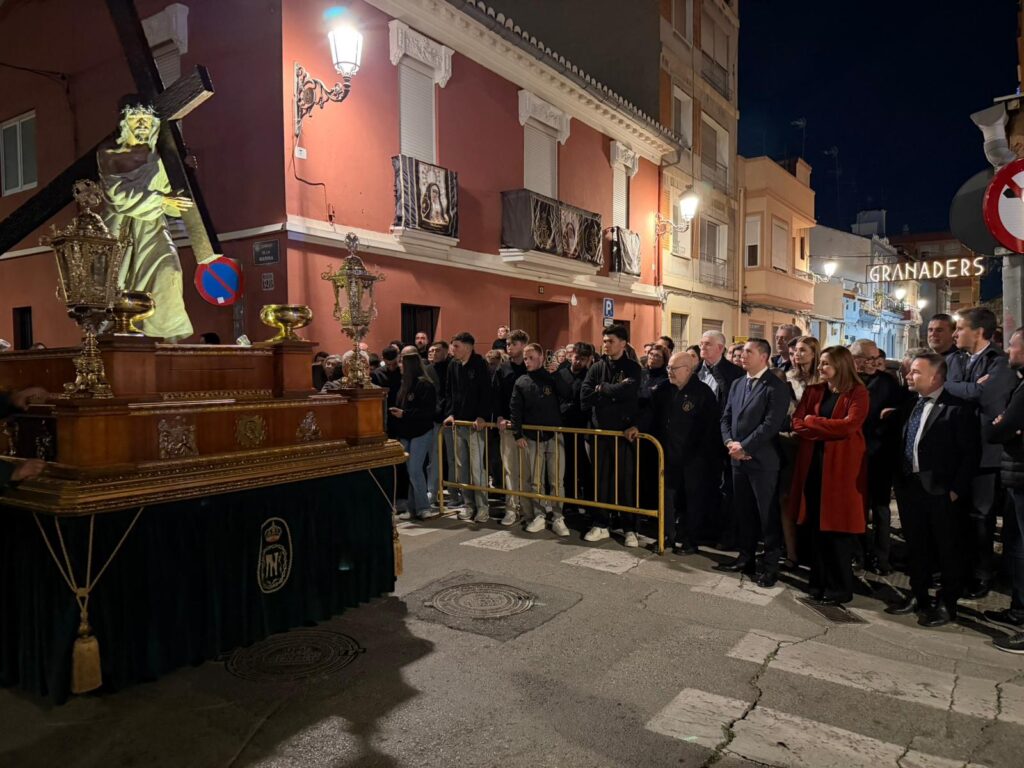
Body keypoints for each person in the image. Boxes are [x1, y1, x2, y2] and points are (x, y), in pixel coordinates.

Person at [887, 352, 979, 627]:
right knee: (917, 546)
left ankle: (947, 604)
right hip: (909, 487)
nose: (908, 375)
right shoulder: (910, 404)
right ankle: (918, 595)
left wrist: (955, 490)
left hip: (941, 491)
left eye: (916, 372)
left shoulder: (958, 409)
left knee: (947, 549)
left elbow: (970, 454)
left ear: (936, 376)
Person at [98, 98, 195, 341]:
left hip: (153, 226)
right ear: (124, 122)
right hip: (119, 227)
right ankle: (121, 331)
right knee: (118, 282)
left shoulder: (160, 157)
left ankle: (165, 335)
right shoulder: (109, 153)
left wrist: (185, 175)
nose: (142, 124)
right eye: (136, 118)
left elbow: (176, 205)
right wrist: (162, 201)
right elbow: (116, 195)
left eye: (147, 119)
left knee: (169, 269)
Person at [789, 346, 868, 605]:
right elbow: (797, 423)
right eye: (821, 363)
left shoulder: (857, 392)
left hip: (841, 470)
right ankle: (818, 582)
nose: (820, 368)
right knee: (815, 528)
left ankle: (840, 588)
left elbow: (850, 426)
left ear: (841, 366)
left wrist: (814, 422)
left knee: (837, 531)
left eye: (825, 364)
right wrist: (819, 426)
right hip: (814, 465)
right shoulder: (815, 391)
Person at [946, 307, 1015, 599]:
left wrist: (964, 388)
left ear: (979, 331)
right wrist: (966, 387)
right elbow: (944, 387)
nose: (955, 334)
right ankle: (959, 570)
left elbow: (985, 396)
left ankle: (982, 573)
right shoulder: (956, 359)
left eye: (960, 328)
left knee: (981, 516)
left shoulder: (999, 362)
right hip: (956, 449)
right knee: (957, 515)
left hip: (985, 453)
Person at [717, 339, 791, 587]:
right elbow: (726, 417)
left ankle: (770, 566)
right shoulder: (738, 383)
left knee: (766, 515)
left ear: (764, 357)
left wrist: (745, 446)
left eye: (749, 352)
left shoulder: (775, 387)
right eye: (742, 352)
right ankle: (745, 557)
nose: (742, 356)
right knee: (744, 512)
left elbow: (770, 424)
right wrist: (730, 442)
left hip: (762, 462)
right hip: (738, 459)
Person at [630, 351, 719, 554]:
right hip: (667, 456)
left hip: (693, 458)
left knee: (691, 501)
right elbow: (650, 413)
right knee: (666, 499)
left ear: (688, 370)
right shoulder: (663, 389)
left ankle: (690, 541)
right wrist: (637, 426)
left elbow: (709, 429)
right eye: (668, 367)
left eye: (674, 368)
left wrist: (702, 456)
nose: (669, 371)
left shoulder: (703, 393)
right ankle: (667, 536)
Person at [580, 323, 642, 545]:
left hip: (623, 434)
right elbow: (584, 397)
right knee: (601, 481)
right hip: (600, 433)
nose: (606, 345)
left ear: (623, 343)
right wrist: (611, 392)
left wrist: (603, 389)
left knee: (625, 482)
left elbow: (631, 392)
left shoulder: (633, 368)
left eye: (611, 341)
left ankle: (629, 528)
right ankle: (600, 523)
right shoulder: (596, 368)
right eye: (604, 341)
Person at [850, 338, 904, 575]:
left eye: (875, 359)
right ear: (856, 360)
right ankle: (857, 553)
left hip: (879, 454)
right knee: (856, 507)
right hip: (853, 454)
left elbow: (895, 413)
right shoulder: (847, 383)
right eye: (869, 359)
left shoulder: (886, 383)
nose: (874, 363)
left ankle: (881, 556)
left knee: (880, 507)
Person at [987, 326, 1024, 653]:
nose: (1008, 351)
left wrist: (1002, 425)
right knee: (1016, 547)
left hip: (1022, 476)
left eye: (1013, 346)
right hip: (1016, 477)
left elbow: (1002, 428)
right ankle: (1018, 610)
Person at [511, 343, 571, 535]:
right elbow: (515, 409)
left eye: (531, 358)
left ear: (541, 358)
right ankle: (539, 515)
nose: (527, 361)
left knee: (556, 480)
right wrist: (518, 434)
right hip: (532, 437)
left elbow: (568, 393)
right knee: (536, 480)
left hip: (554, 435)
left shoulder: (552, 377)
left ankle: (558, 517)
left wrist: (555, 375)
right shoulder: (521, 381)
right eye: (526, 358)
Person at [697, 330, 745, 548]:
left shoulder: (733, 373)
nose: (702, 348)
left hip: (723, 438)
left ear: (720, 348)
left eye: (707, 344)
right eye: (701, 344)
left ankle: (727, 534)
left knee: (726, 489)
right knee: (704, 485)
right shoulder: (697, 370)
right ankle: (704, 528)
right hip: (700, 438)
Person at [779, 335, 821, 569]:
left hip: (812, 444)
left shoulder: (822, 380)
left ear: (815, 353)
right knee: (786, 498)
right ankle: (792, 552)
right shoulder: (787, 378)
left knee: (811, 499)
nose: (797, 354)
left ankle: (812, 552)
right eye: (795, 351)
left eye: (803, 350)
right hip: (789, 443)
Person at [444, 332, 492, 522]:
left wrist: (482, 416)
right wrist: (450, 413)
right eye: (452, 346)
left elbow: (486, 392)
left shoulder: (480, 364)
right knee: (461, 467)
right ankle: (468, 505)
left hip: (475, 425)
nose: (453, 350)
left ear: (468, 347)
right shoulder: (452, 366)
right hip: (459, 423)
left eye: (456, 346)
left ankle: (482, 507)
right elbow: (449, 392)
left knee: (477, 468)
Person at [390, 348, 438, 521]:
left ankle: (424, 507)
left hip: (421, 432)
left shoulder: (425, 384)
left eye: (402, 362)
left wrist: (404, 414)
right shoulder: (405, 384)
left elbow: (427, 412)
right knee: (411, 471)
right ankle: (413, 507)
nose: (399, 365)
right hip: (406, 433)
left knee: (415, 469)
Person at [493, 330, 530, 526]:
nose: (509, 347)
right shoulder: (503, 368)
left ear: (523, 345)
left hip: (527, 426)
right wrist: (499, 416)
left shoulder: (530, 366)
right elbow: (497, 395)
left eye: (513, 343)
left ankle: (526, 508)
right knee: (509, 469)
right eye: (507, 343)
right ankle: (511, 508)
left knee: (527, 471)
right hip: (507, 425)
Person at [557, 342, 594, 513]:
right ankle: (569, 502)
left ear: (588, 361)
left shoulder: (589, 377)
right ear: (572, 356)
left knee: (584, 466)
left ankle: (588, 501)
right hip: (564, 426)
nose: (578, 361)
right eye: (577, 357)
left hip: (582, 427)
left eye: (583, 359)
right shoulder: (561, 374)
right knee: (567, 467)